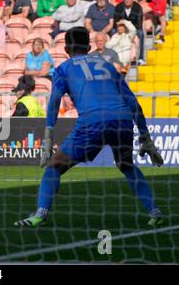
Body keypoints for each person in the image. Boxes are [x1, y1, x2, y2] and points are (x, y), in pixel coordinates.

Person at [13, 27, 164, 228]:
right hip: (122, 119)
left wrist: (48, 135)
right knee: (126, 164)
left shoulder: (63, 68)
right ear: (89, 47)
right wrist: (145, 137)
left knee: (54, 166)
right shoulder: (108, 66)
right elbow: (133, 102)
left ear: (66, 49)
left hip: (93, 121)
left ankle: (40, 214)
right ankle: (154, 211)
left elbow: (55, 101)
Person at [113, 0, 145, 65]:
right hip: (121, 29)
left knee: (141, 33)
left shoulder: (138, 8)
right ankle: (115, 57)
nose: (127, 0)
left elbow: (139, 25)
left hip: (134, 29)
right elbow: (116, 23)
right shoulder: (118, 7)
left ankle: (140, 58)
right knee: (113, 31)